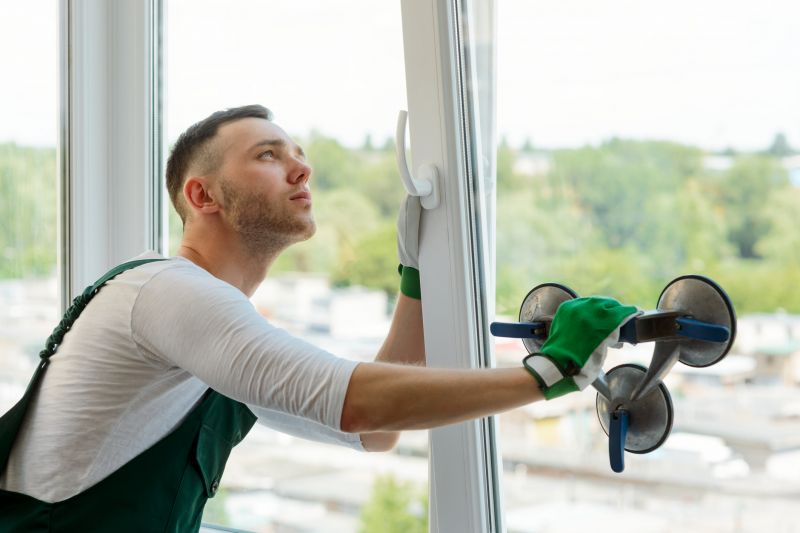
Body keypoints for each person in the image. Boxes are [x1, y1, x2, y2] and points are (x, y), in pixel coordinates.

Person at [0, 104, 638, 531]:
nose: (302, 167)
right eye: (269, 155)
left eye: (298, 154)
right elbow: (359, 404)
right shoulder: (167, 291)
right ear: (202, 196)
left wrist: (416, 281)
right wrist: (548, 371)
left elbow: (370, 433)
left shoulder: (208, 329)